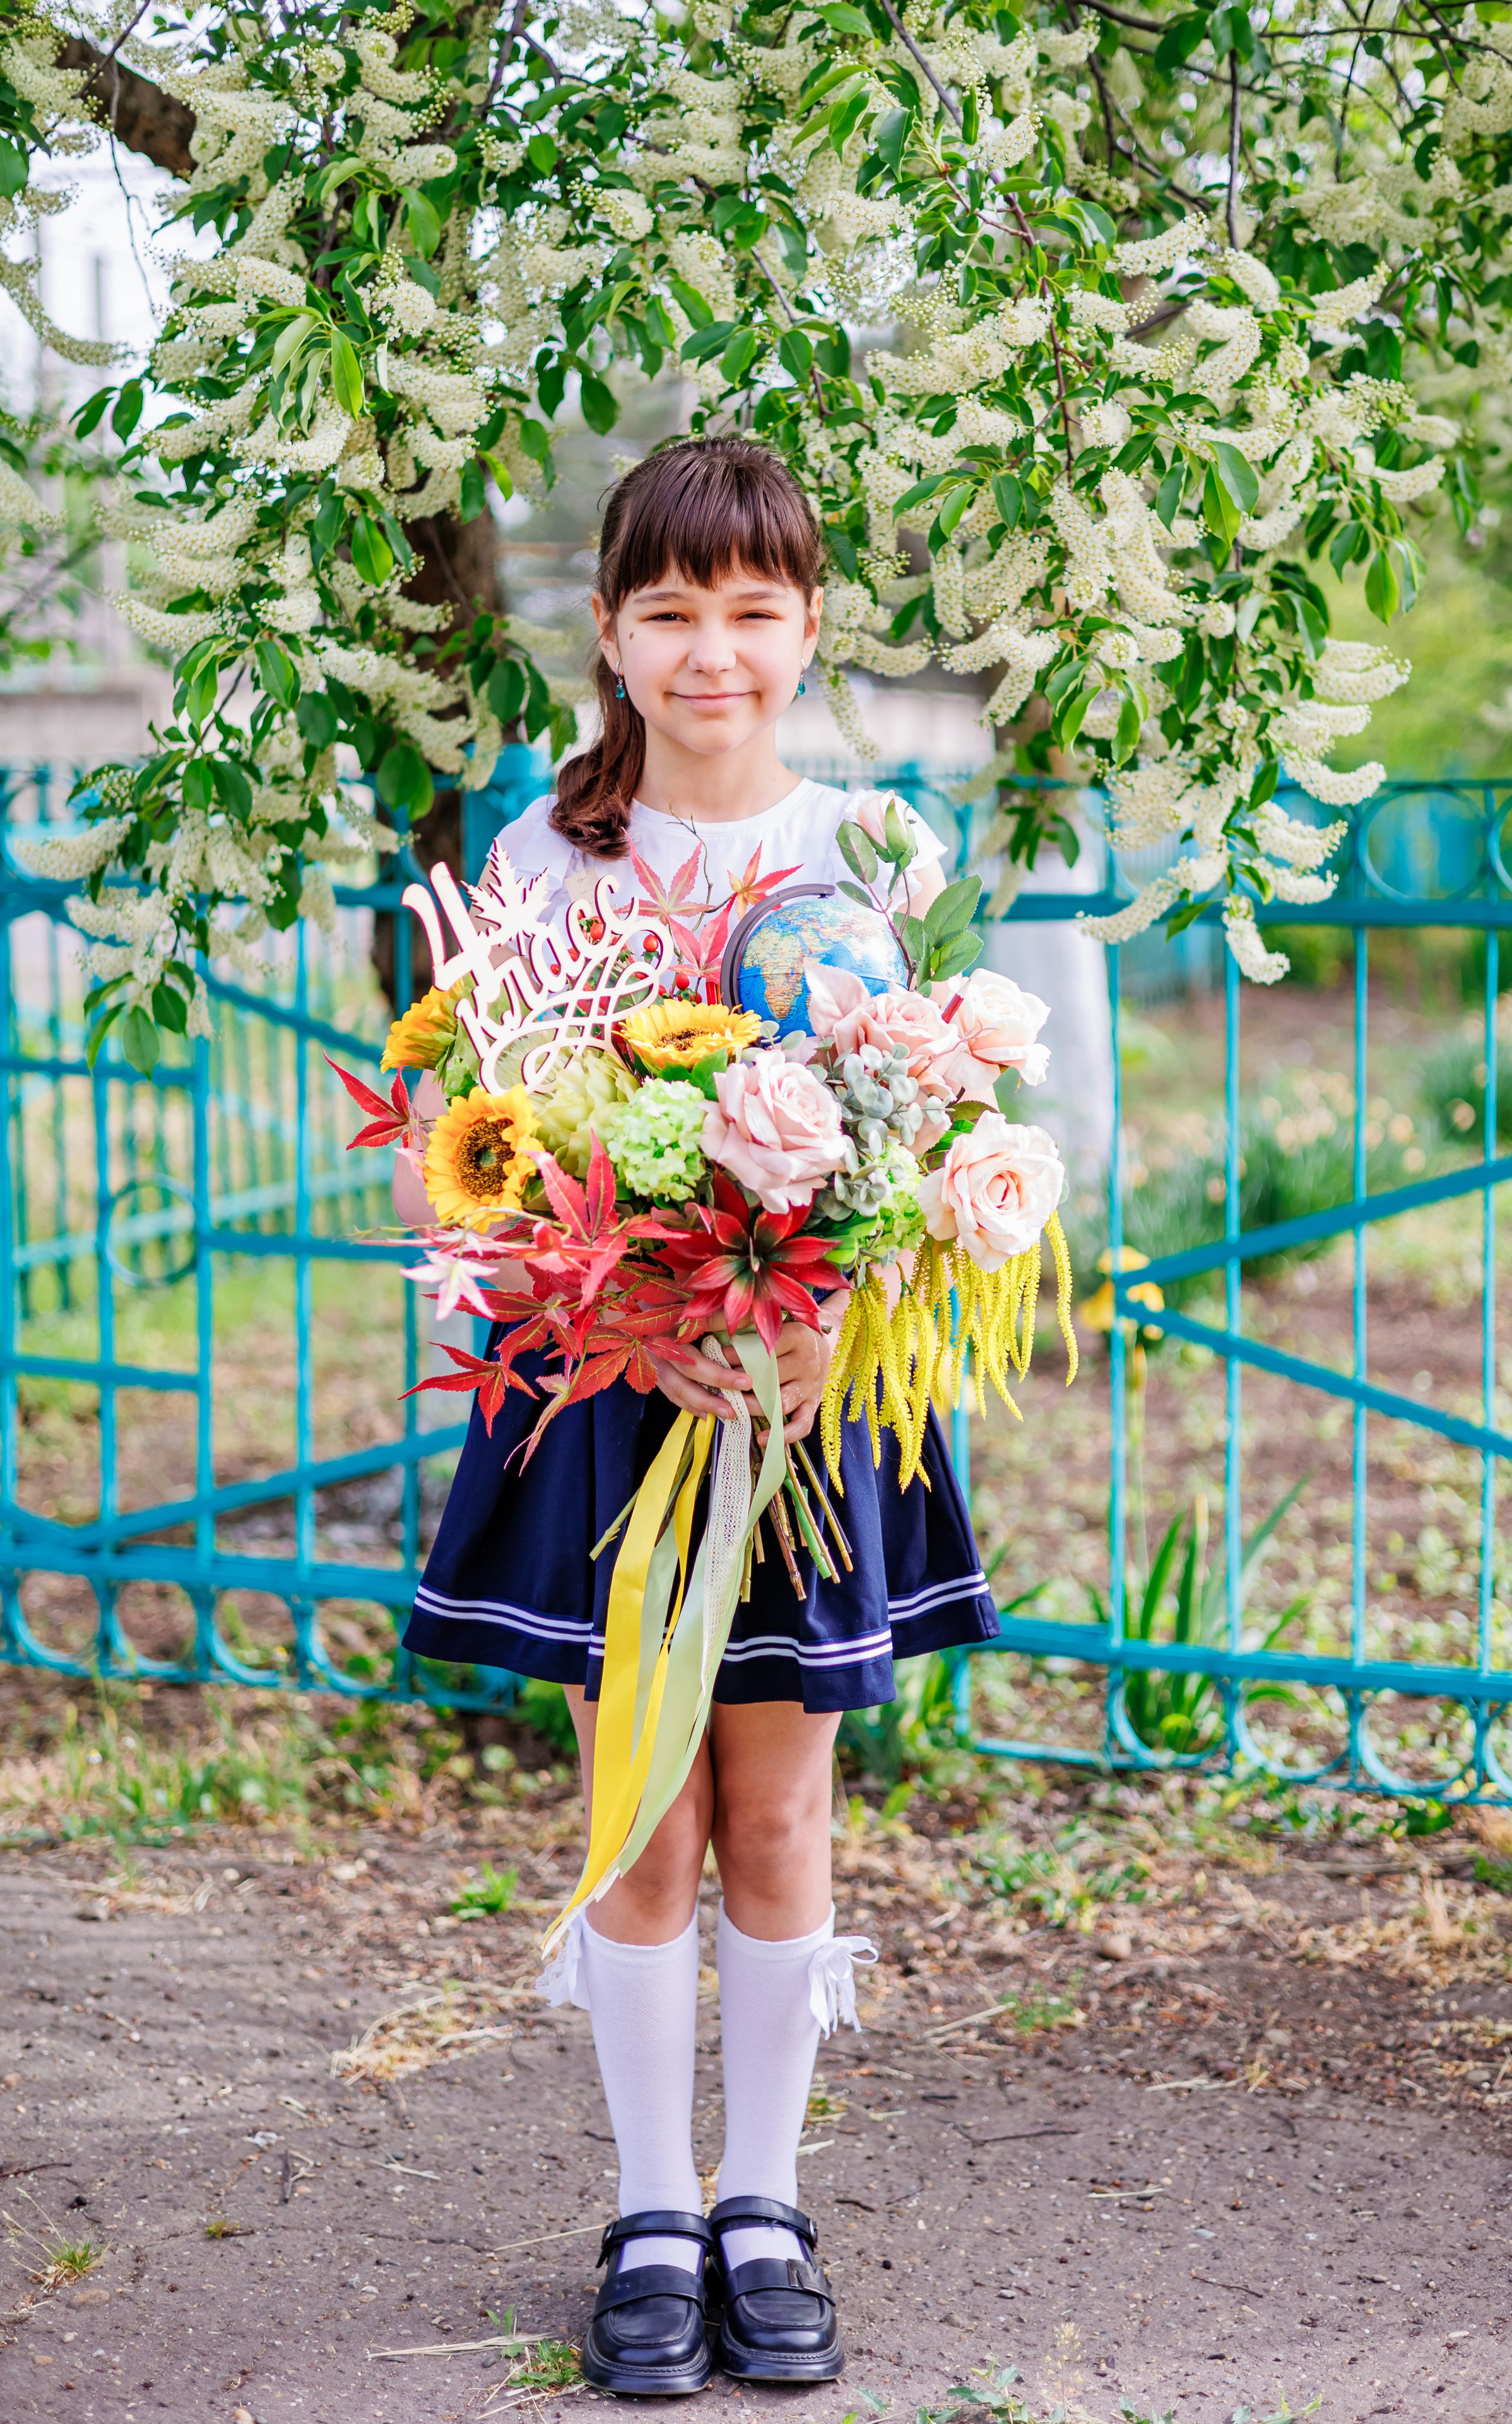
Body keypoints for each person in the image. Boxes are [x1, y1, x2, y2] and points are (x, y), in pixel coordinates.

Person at [392, 437, 1000, 2394]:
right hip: (607, 1399)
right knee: (640, 1818)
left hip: (806, 1407)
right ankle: (652, 2206)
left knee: (780, 1807)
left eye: (753, 611)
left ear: (809, 625)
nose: (713, 651)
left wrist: (831, 1330)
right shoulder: (541, 864)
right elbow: (471, 1161)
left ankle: (765, 2205)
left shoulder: (872, 861)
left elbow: (926, 1152)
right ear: (613, 631)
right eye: (672, 611)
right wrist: (631, 1313)